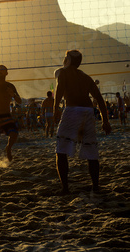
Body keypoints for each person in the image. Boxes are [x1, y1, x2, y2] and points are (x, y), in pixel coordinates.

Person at [53, 50, 111, 195]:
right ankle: (95, 186)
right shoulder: (86, 77)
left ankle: (65, 188)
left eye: (65, 57)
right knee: (91, 151)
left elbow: (59, 89)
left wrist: (55, 109)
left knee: (61, 151)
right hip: (88, 111)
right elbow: (99, 99)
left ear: (68, 60)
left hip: (72, 110)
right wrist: (105, 121)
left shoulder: (63, 72)